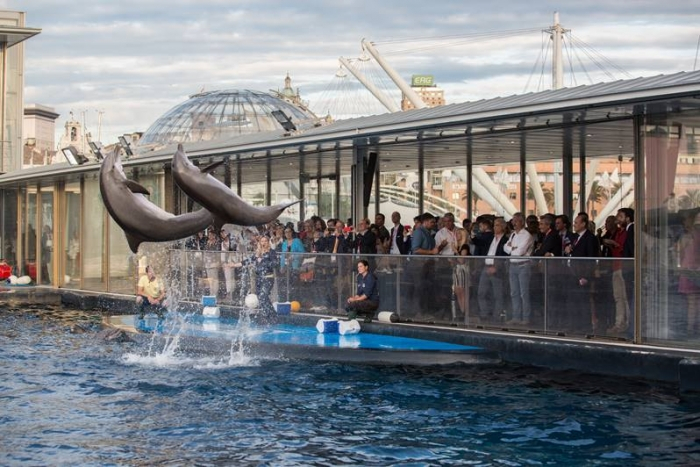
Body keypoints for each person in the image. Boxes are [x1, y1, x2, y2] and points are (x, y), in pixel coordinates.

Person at [233, 235, 277, 317]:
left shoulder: (271, 252)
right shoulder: (258, 253)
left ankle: (270, 314)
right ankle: (270, 313)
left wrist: (263, 262)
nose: (264, 243)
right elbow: (248, 261)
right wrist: (234, 265)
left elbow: (275, 263)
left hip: (268, 278)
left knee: (263, 296)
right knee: (261, 298)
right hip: (259, 279)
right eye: (262, 241)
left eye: (265, 241)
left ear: (268, 242)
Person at [504, 212, 535, 325]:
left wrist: (511, 248)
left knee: (524, 293)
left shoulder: (527, 235)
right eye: (513, 221)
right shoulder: (513, 234)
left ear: (522, 222)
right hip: (513, 266)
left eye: (516, 221)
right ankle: (516, 316)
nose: (514, 223)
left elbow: (520, 252)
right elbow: (505, 247)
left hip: (523, 266)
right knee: (514, 293)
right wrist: (513, 248)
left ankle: (526, 318)